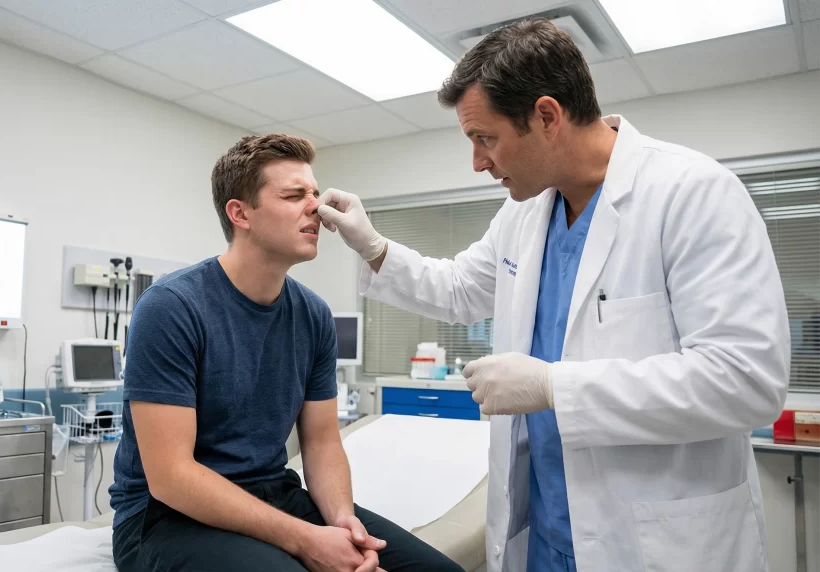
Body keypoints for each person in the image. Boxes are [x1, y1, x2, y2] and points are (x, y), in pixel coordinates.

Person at [317, 18, 790, 572]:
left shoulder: (692, 194)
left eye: (484, 138)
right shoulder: (524, 212)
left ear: (546, 116)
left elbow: (747, 379)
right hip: (542, 530)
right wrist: (372, 247)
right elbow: (461, 288)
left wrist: (551, 386)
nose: (477, 162)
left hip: (653, 543)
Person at [109, 133, 464, 572]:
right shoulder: (171, 308)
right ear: (241, 214)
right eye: (295, 195)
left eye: (314, 194)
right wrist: (306, 541)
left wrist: (342, 524)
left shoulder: (313, 315)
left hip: (274, 492)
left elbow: (321, 441)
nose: (315, 207)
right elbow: (171, 477)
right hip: (167, 518)